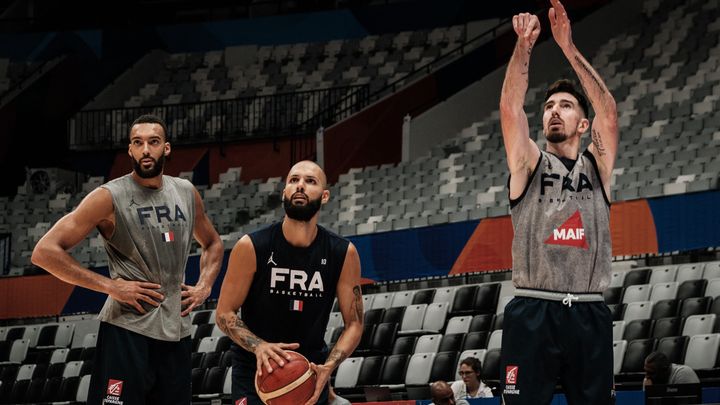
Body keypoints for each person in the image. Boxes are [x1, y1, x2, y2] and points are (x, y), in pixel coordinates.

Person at [31, 114, 224, 404]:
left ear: (166, 148)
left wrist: (205, 286)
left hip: (176, 330)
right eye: (138, 143)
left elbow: (212, 243)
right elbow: (44, 252)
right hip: (128, 329)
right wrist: (111, 287)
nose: (146, 149)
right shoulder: (108, 196)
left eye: (153, 142)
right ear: (130, 150)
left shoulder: (185, 192)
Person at [498, 0, 618, 404]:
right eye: (549, 105)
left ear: (583, 125)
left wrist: (567, 45)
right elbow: (510, 109)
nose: (554, 111)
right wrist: (524, 48)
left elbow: (609, 111)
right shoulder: (529, 162)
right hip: (534, 309)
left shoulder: (596, 165)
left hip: (588, 311)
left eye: (565, 106)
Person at [215, 160, 363, 405]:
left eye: (310, 181)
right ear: (284, 191)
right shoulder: (251, 246)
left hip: (309, 371)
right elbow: (223, 314)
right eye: (293, 180)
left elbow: (355, 323)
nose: (300, 186)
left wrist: (329, 366)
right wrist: (260, 347)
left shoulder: (343, 252)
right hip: (255, 369)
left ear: (325, 196)